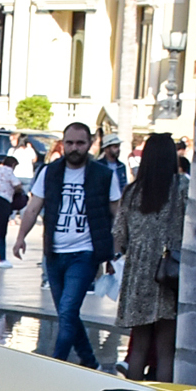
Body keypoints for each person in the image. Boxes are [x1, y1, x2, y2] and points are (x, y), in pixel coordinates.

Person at [11, 122, 119, 367]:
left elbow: (117, 213)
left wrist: (116, 251)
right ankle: (91, 363)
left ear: (90, 144)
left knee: (69, 311)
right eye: (69, 142)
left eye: (80, 143)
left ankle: (54, 367)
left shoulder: (104, 175)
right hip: (54, 255)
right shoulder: (49, 173)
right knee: (66, 314)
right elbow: (33, 207)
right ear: (63, 143)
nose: (74, 148)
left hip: (85, 254)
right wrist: (20, 238)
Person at [113, 132, 184, 383]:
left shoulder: (132, 191)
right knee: (166, 350)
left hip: (139, 273)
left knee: (139, 345)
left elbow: (119, 234)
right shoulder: (182, 188)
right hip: (169, 272)